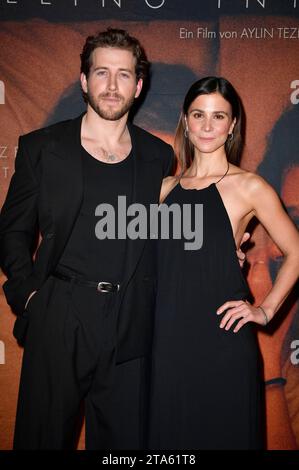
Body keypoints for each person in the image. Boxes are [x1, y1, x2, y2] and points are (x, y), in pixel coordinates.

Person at [0, 27, 175, 450]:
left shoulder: (159, 156)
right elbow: (12, 230)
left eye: (123, 74)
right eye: (101, 73)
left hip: (130, 318)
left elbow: (164, 235)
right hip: (61, 311)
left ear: (139, 85)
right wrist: (30, 298)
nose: (112, 86)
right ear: (84, 80)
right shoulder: (42, 147)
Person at [148, 76, 299, 449]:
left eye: (219, 116)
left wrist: (264, 310)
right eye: (199, 115)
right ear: (186, 120)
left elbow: (297, 251)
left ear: (232, 125)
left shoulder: (249, 186)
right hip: (166, 342)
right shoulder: (163, 189)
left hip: (223, 343)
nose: (207, 126)